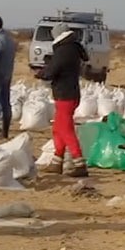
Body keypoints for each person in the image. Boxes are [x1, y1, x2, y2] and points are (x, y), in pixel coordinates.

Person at [37, 23, 89, 177]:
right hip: (70, 93)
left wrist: (42, 73)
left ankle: (79, 163)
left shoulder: (63, 50)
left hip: (65, 95)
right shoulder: (73, 48)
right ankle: (57, 162)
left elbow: (53, 70)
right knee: (58, 128)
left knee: (66, 130)